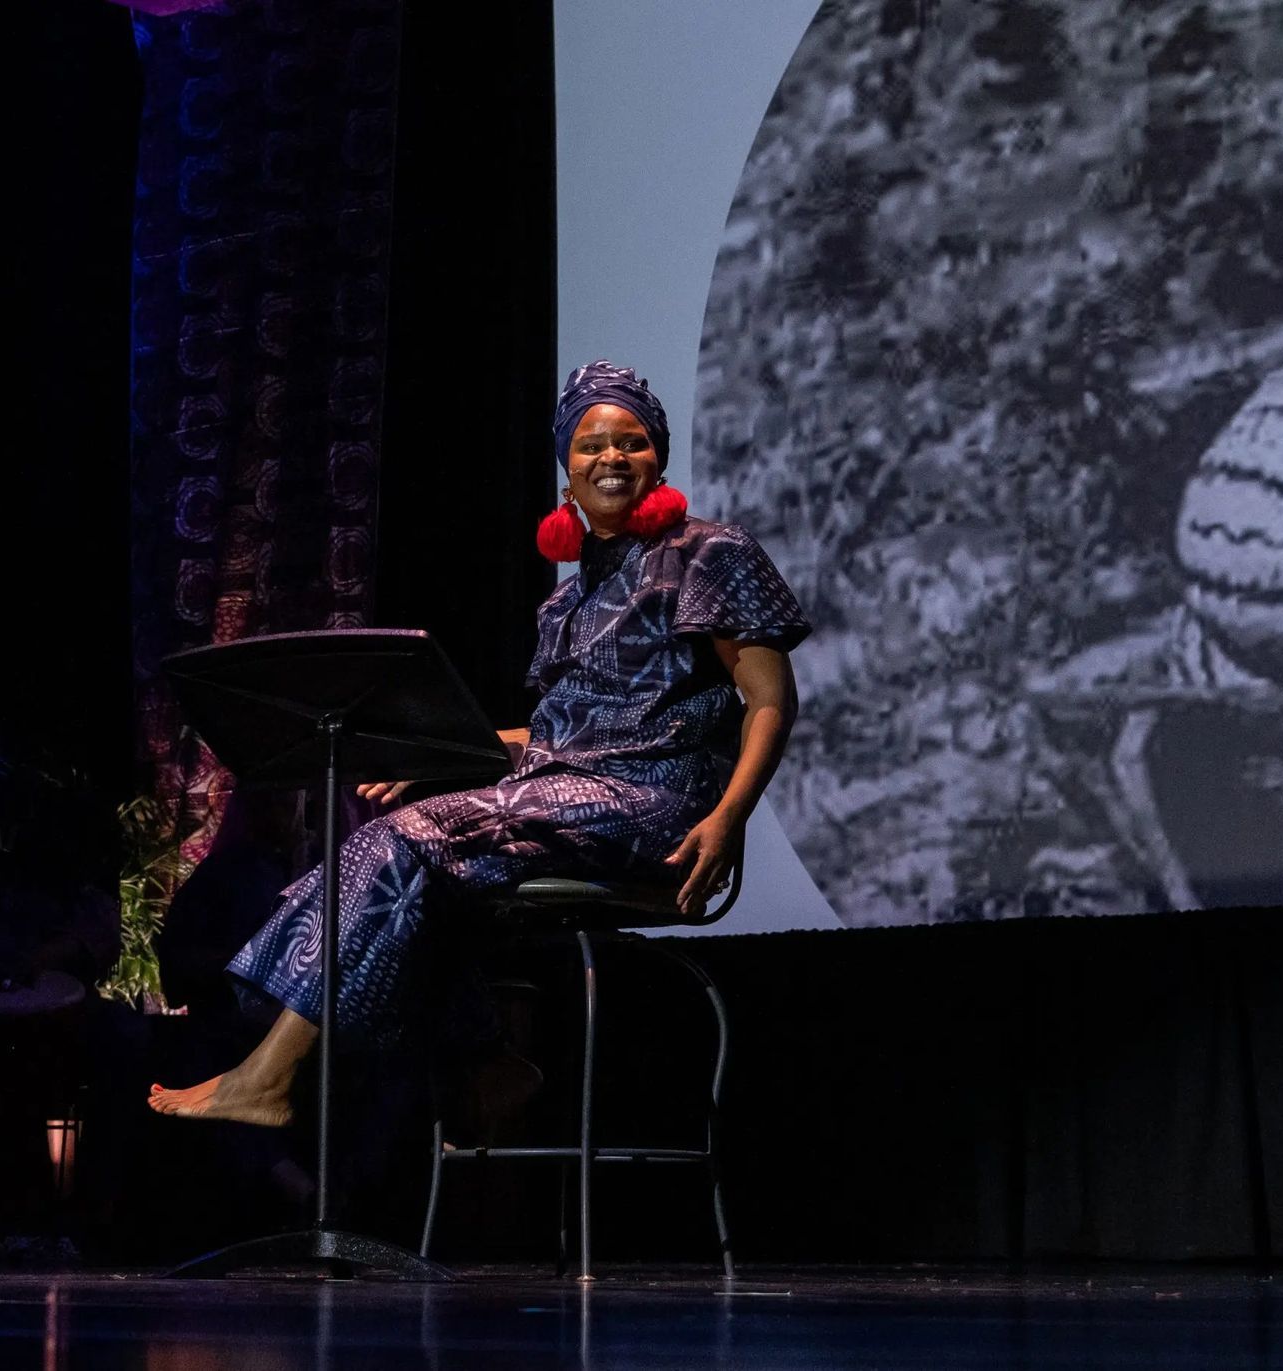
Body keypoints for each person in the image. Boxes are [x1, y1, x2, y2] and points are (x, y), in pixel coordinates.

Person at [149, 361, 809, 1126]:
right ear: (568, 469)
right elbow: (559, 736)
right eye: (593, 445)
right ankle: (483, 1059)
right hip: (570, 797)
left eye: (632, 442)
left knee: (412, 837)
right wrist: (439, 752)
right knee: (406, 859)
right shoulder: (568, 598)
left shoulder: (709, 553)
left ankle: (270, 1075)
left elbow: (770, 700)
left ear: (658, 457)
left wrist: (728, 818)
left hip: (659, 806)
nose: (613, 458)